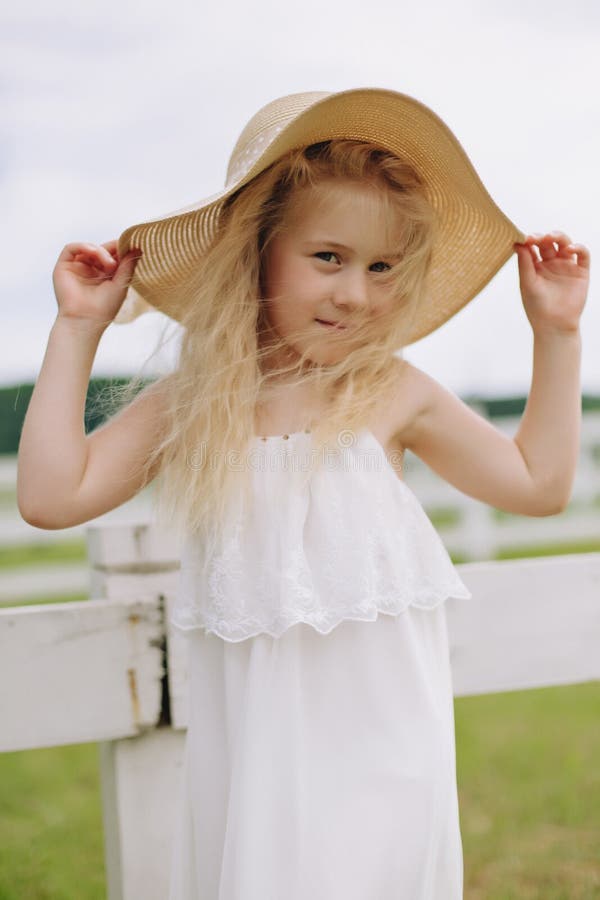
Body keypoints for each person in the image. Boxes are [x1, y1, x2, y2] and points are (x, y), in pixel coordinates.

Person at [17, 88, 589, 899]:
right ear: (259, 252)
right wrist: (77, 328)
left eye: (382, 268)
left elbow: (537, 485)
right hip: (258, 757)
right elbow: (51, 497)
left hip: (388, 748)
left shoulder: (391, 390)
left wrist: (556, 333)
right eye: (328, 257)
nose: (355, 294)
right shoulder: (198, 402)